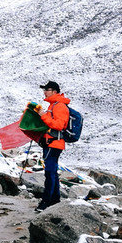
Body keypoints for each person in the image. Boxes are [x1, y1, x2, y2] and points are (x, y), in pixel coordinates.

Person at [34, 80, 71, 211]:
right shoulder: (53, 105)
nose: (44, 92)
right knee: (52, 172)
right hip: (51, 143)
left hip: (54, 144)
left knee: (49, 173)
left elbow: (59, 125)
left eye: (47, 90)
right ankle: (55, 200)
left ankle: (46, 202)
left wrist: (43, 115)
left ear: (54, 92)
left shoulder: (59, 106)